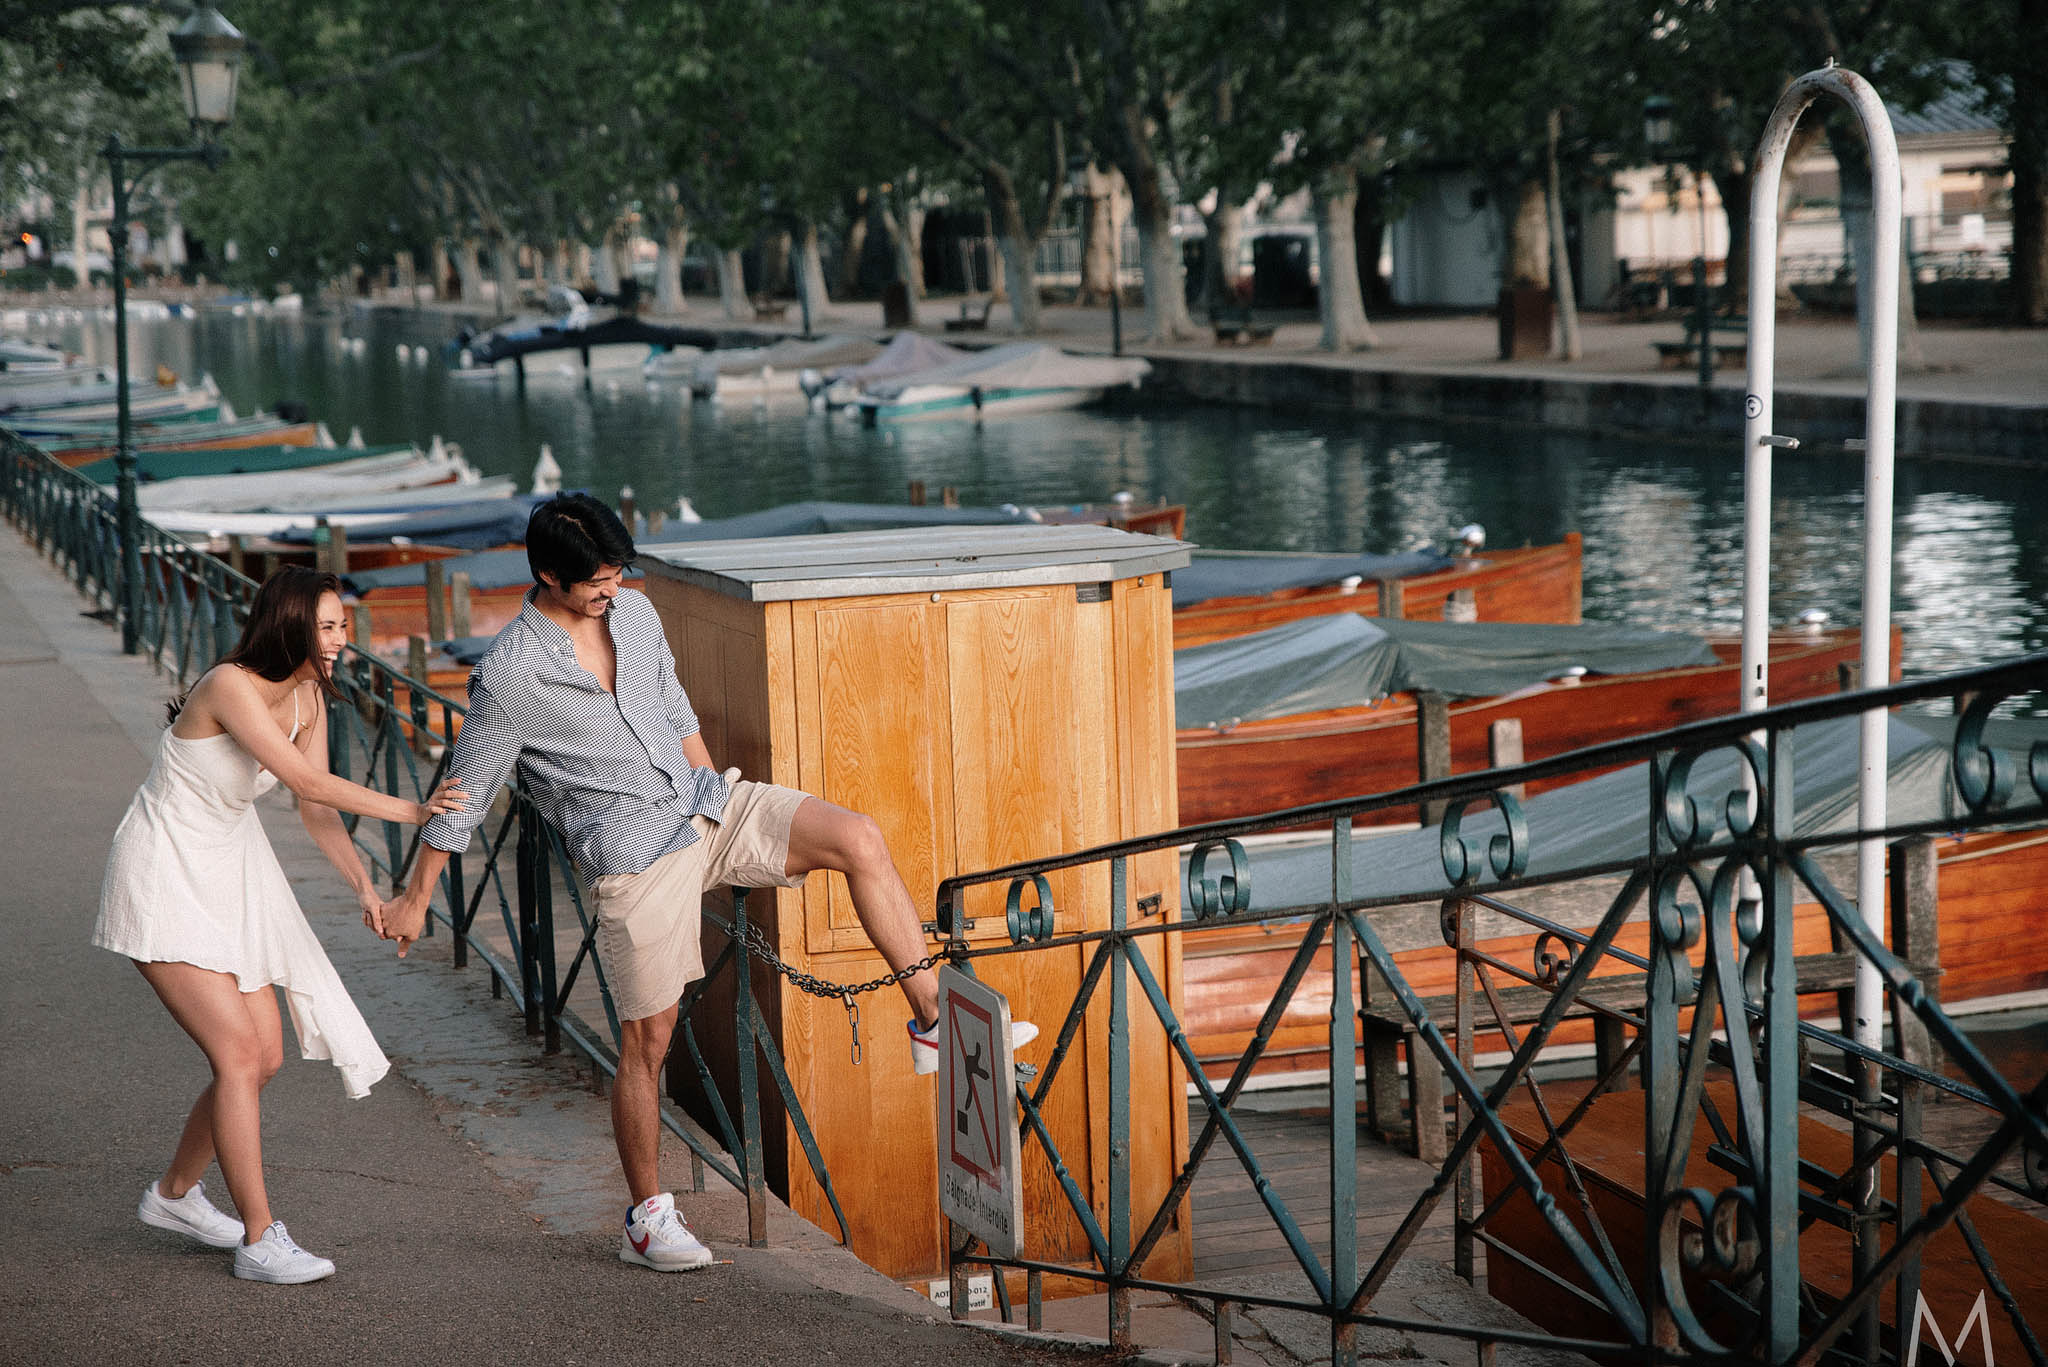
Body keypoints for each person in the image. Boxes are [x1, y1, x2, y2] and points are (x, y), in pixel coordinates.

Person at [375, 492, 1034, 1272]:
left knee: (858, 836)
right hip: (633, 853)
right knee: (646, 1042)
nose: (609, 590)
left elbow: (676, 705)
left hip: (705, 806)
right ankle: (647, 1219)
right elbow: (464, 792)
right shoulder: (511, 673)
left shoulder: (637, 613)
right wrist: (416, 897)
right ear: (548, 573)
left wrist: (706, 788)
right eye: (595, 580)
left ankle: (928, 1018)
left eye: (618, 573)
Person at [94, 567, 467, 1285]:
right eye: (328, 626)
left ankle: (173, 1195)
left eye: (342, 626)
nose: (340, 640)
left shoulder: (308, 698)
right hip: (163, 871)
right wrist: (418, 810)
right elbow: (308, 783)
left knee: (263, 1055)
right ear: (291, 622)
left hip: (228, 874)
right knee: (238, 1056)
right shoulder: (229, 685)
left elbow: (318, 814)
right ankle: (260, 1238)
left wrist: (367, 887)